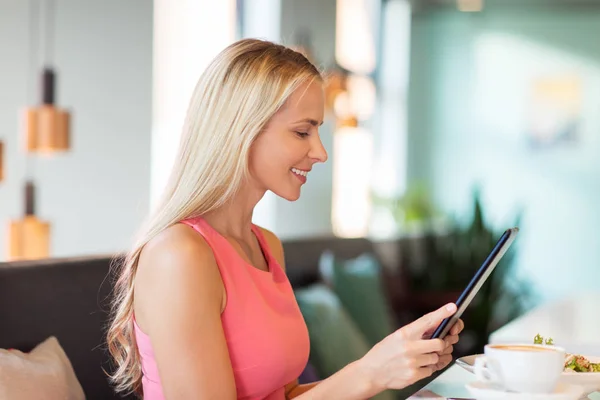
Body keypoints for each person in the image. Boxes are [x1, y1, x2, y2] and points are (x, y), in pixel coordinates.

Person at [106, 38, 464, 400]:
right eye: (302, 132)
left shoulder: (265, 245)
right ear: (240, 128)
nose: (320, 152)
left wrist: (391, 367)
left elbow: (281, 395)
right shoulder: (179, 255)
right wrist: (369, 373)